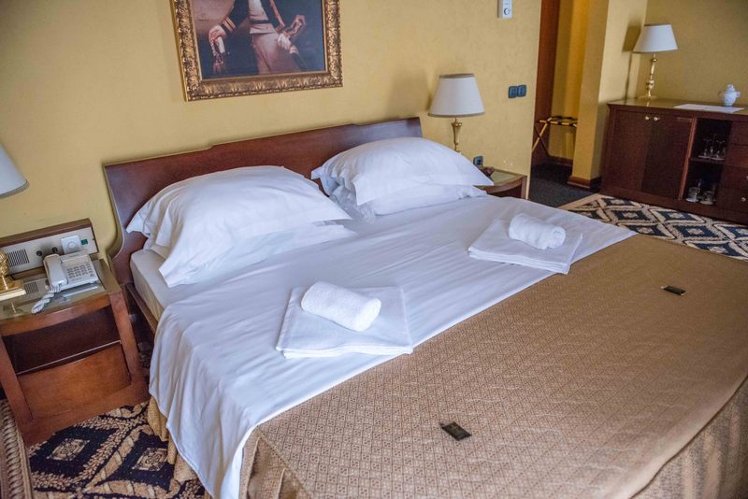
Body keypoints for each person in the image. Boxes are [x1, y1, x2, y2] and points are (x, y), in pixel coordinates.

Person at [208, 0, 319, 75]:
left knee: (287, 82)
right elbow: (242, 6)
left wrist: (290, 33)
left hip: (278, 37)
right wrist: (224, 28)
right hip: (256, 37)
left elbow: (302, 7)